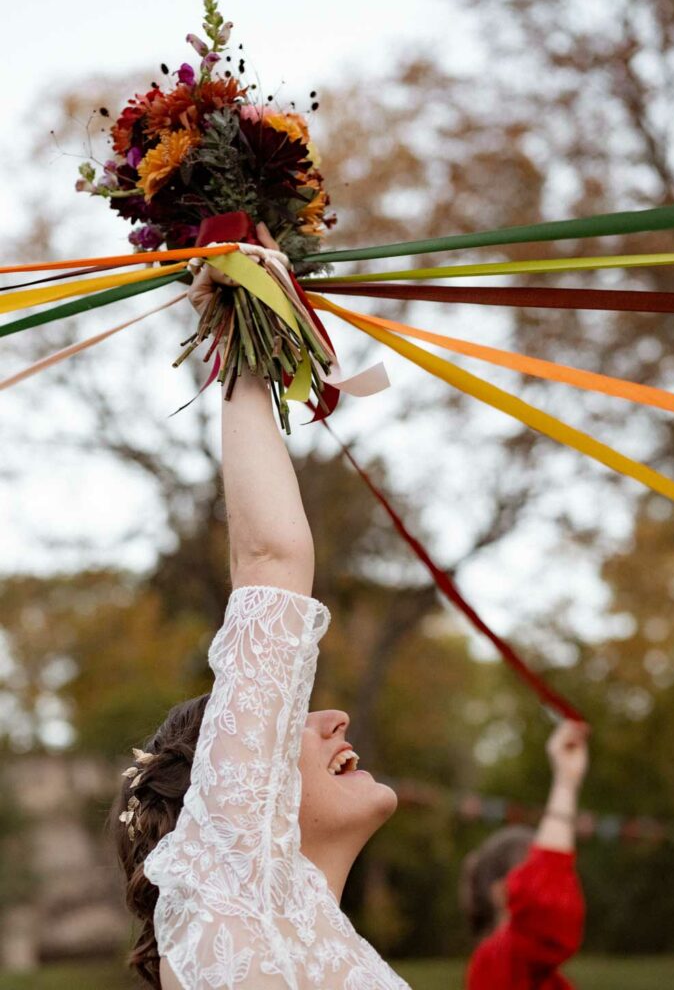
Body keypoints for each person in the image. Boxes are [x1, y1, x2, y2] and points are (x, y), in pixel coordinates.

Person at [112, 227, 411, 989]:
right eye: (283, 713)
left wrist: (248, 308)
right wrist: (247, 326)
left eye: (275, 718)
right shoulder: (235, 902)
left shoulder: (298, 934)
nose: (330, 718)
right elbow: (270, 564)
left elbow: (274, 565)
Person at [461, 720, 589, 990]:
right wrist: (565, 782)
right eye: (531, 871)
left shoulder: (548, 978)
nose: (560, 884)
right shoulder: (492, 964)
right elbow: (545, 901)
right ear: (499, 892)